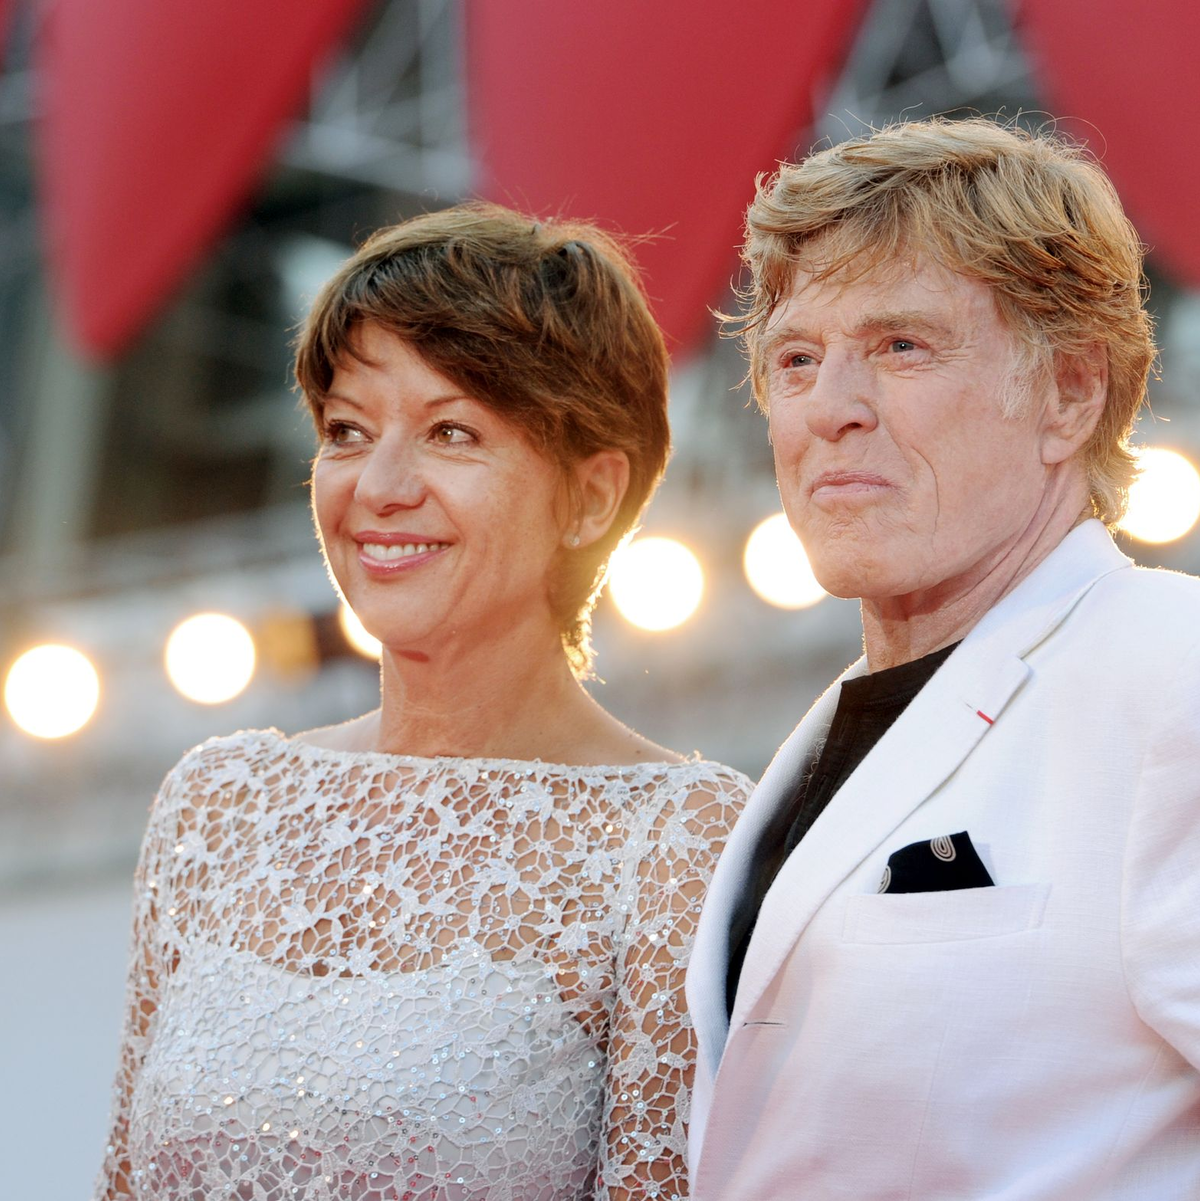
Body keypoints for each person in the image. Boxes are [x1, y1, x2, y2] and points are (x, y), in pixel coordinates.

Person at [95, 202, 750, 1201]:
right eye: (348, 431)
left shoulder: (679, 844)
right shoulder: (217, 804)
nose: (381, 485)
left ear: (592, 494)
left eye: (450, 431)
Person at [685, 118, 1200, 1199]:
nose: (831, 409)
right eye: (797, 359)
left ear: (1071, 393)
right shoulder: (828, 734)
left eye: (901, 346)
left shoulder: (1171, 672)